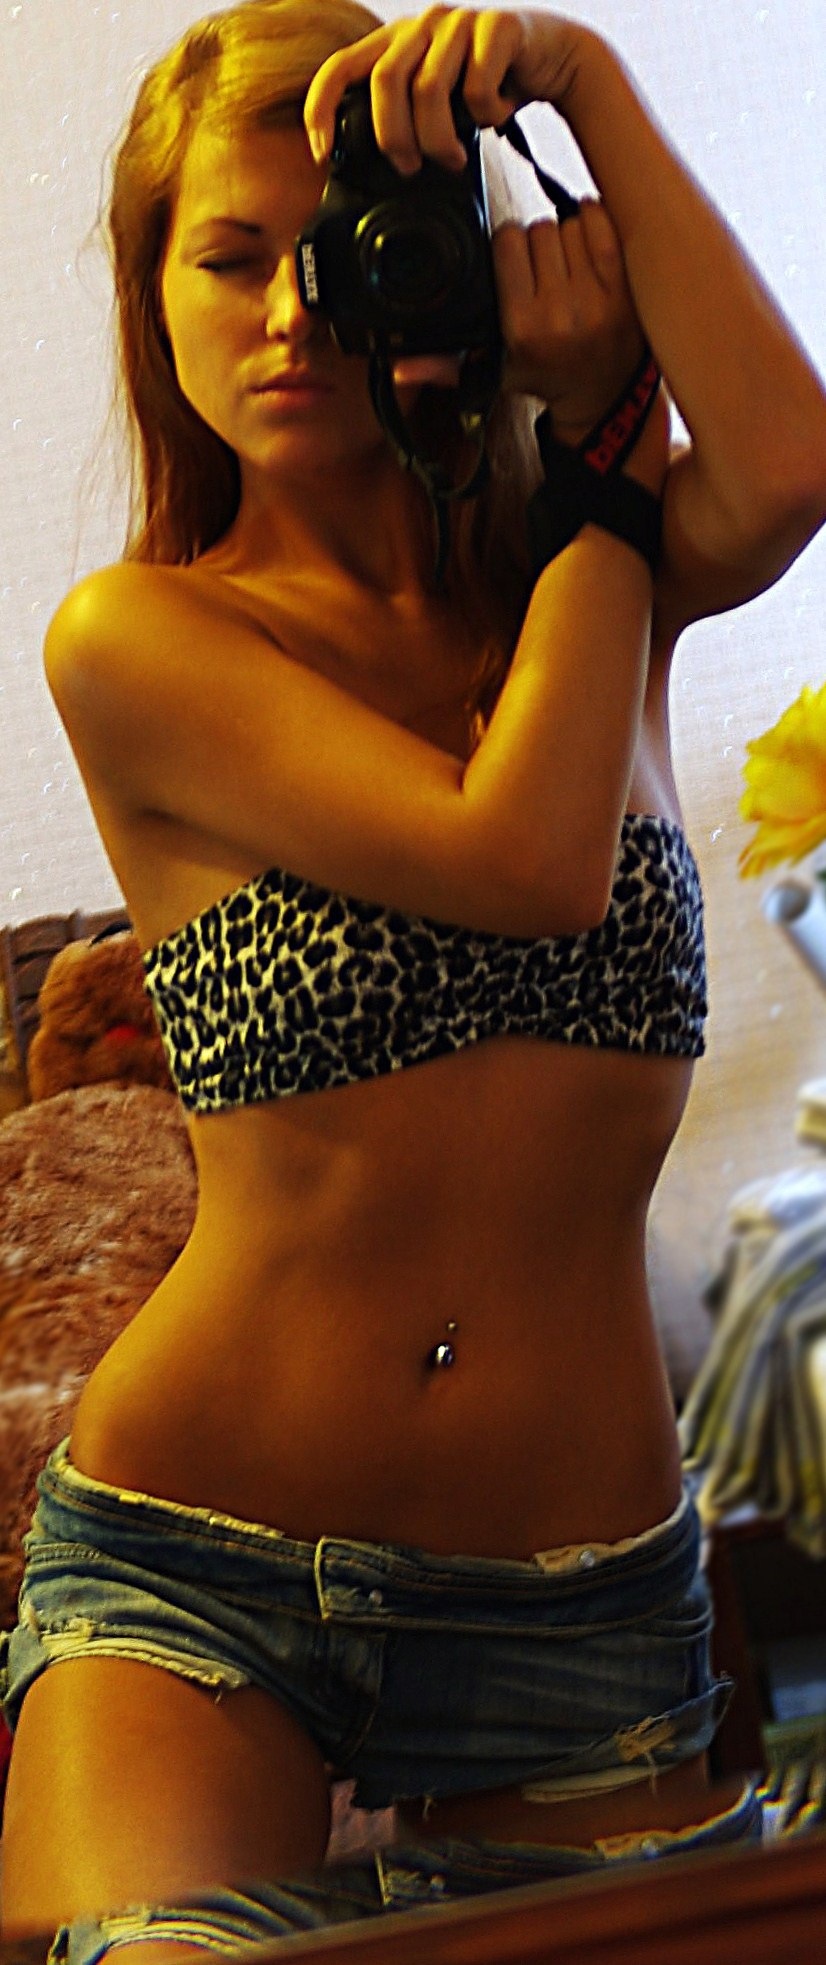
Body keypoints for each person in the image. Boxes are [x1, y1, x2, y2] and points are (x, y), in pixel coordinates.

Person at [2, 3, 825, 1957]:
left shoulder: (589, 582)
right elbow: (522, 861)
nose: (289, 312)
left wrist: (577, 82)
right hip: (199, 1569)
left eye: (343, 248)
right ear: (152, 297)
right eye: (226, 256)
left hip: (577, 1591)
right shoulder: (139, 639)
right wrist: (603, 461)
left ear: (445, 263)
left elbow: (789, 462)